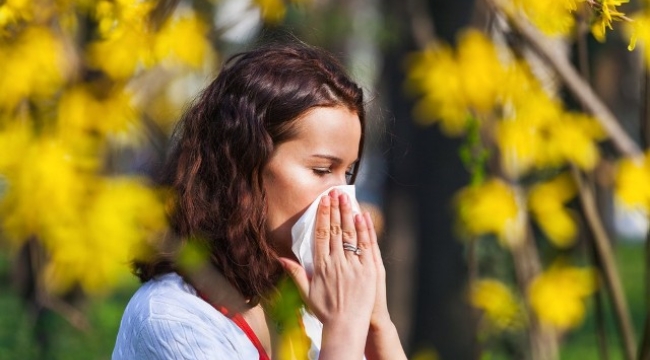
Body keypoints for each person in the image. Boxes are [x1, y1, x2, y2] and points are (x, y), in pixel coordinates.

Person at [112, 40, 406, 360]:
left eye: (347, 174)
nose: (343, 200)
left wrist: (378, 326)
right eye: (322, 169)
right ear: (244, 164)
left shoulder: (312, 307)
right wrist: (345, 328)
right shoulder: (173, 320)